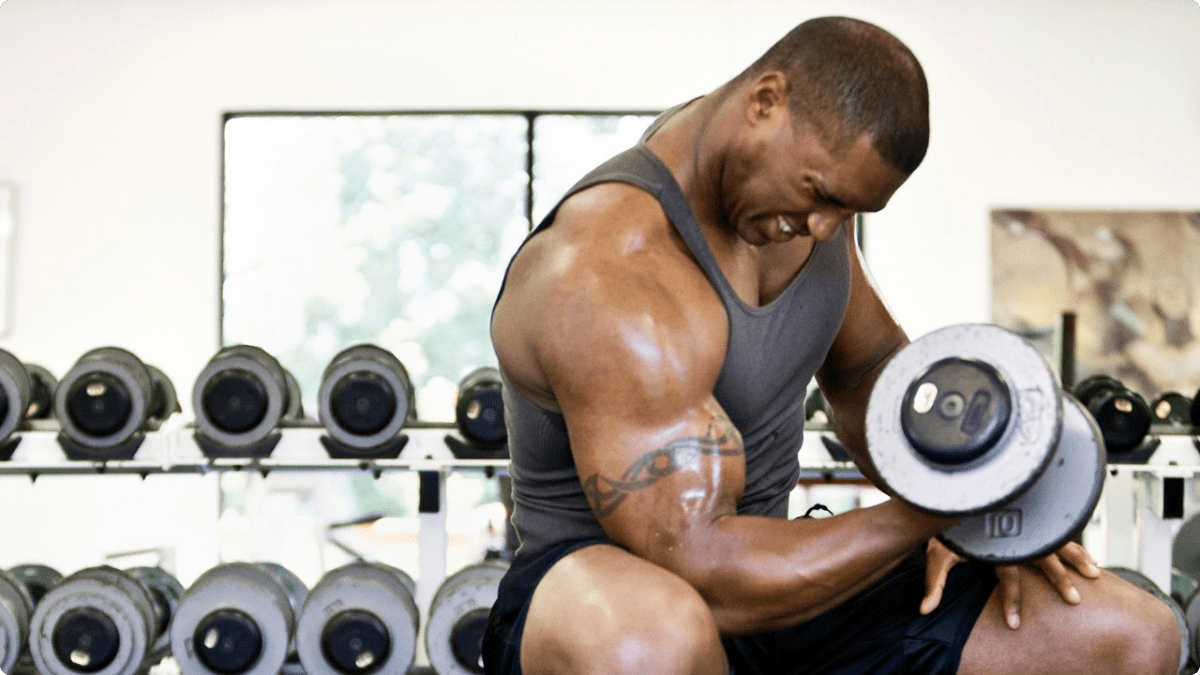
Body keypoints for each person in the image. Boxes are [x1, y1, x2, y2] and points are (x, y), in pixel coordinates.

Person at [483, 15, 1180, 675]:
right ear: (764, 101)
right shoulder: (609, 267)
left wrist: (972, 517)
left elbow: (868, 370)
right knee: (650, 639)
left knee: (1128, 635)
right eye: (818, 194)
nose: (823, 228)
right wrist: (941, 506)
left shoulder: (795, 207)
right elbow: (702, 562)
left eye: (848, 209)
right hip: (606, 588)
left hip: (769, 575)